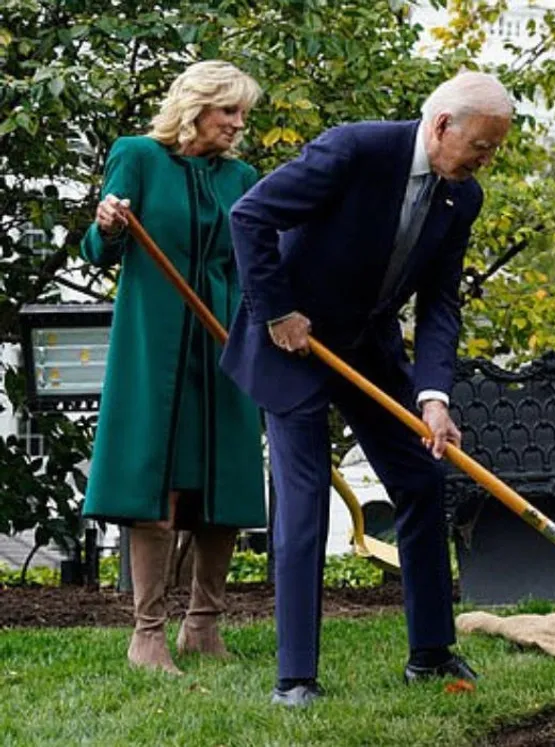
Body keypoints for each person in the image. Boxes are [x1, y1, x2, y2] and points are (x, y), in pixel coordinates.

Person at [222, 71, 514, 707]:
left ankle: (432, 654)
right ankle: (295, 678)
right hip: (291, 343)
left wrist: (433, 396)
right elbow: (250, 217)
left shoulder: (461, 198)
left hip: (368, 344)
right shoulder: (354, 150)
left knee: (421, 478)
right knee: (304, 499)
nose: (487, 160)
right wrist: (277, 312)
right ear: (442, 126)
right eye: (483, 146)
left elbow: (440, 303)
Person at [82, 60, 267, 675]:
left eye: (242, 113)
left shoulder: (240, 176)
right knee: (157, 475)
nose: (239, 124)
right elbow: (101, 245)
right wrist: (106, 223)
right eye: (229, 112)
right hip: (153, 341)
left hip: (223, 340)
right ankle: (147, 633)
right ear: (195, 108)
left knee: (225, 475)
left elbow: (251, 261)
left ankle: (204, 626)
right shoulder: (136, 156)